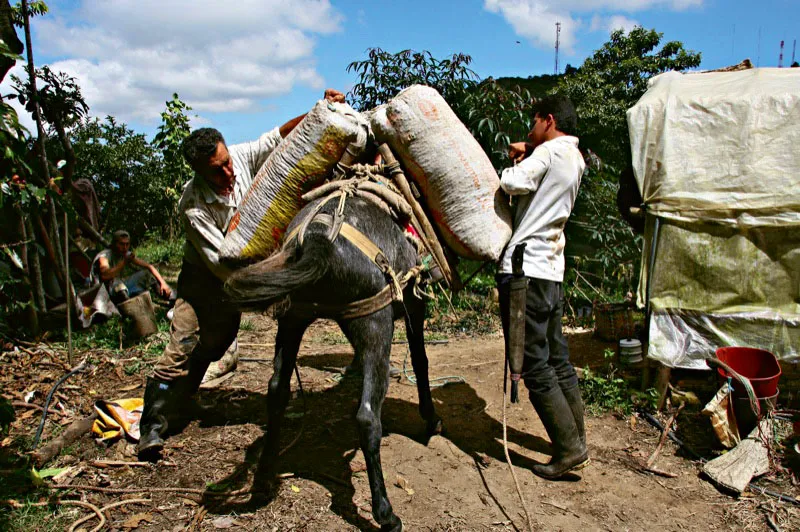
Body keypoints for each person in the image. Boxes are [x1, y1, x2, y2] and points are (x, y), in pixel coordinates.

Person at [137, 88, 346, 460]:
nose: (229, 171)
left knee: (216, 343)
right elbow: (219, 262)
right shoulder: (193, 205)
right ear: (199, 172)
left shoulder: (240, 158)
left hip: (243, 273)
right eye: (218, 169)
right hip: (205, 281)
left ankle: (186, 401)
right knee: (183, 344)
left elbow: (277, 137)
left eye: (227, 161)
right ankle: (150, 426)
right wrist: (269, 284)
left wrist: (319, 109)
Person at [496, 95, 589, 479]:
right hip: (551, 271)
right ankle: (577, 440)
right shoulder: (576, 158)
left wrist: (525, 151)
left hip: (524, 271)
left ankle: (568, 449)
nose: (529, 130)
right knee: (558, 359)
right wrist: (533, 146)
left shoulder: (549, 154)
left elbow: (510, 181)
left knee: (534, 364)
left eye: (533, 123)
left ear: (548, 121)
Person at [92, 230, 174, 304]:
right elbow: (105, 275)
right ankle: (129, 308)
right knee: (119, 286)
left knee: (147, 274)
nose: (125, 247)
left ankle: (168, 298)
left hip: (121, 285)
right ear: (114, 244)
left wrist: (163, 283)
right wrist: (124, 262)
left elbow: (149, 267)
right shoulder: (104, 256)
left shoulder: (126, 254)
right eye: (121, 244)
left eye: (127, 244)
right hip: (106, 293)